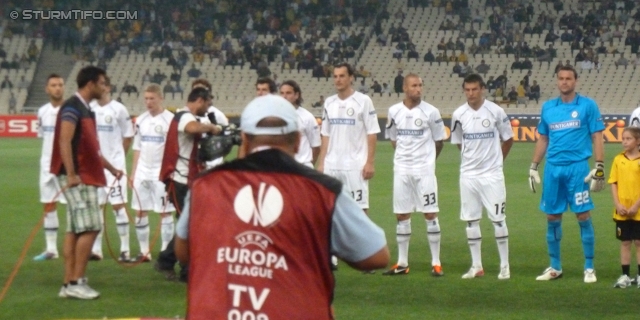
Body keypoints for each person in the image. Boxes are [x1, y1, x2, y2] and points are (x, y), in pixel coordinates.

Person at [173, 94, 390, 319]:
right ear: (297, 141)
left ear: (245, 140)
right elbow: (376, 255)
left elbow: (184, 251)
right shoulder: (323, 190)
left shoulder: (205, 184)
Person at [50, 66, 123, 299]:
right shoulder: (73, 107)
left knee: (74, 229)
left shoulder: (85, 109)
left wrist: (111, 168)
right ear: (90, 84)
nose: (105, 87)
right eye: (102, 83)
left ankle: (67, 283)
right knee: (92, 226)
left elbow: (91, 148)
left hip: (84, 173)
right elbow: (64, 140)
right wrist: (71, 174)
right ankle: (76, 282)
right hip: (80, 176)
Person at [529, 65, 605, 283]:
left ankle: (589, 267)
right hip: (553, 168)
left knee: (582, 215)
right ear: (557, 81)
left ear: (575, 81)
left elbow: (597, 136)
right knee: (552, 217)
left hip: (578, 168)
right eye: (561, 78)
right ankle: (555, 267)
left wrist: (599, 166)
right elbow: (543, 138)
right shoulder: (548, 107)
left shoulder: (588, 106)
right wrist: (534, 166)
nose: (564, 82)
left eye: (568, 78)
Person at [451, 73, 514, 280]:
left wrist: (497, 162)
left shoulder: (496, 111)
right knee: (471, 221)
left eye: (474, 89)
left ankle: (505, 266)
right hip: (468, 175)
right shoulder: (458, 114)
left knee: (498, 220)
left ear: (482, 89)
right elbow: (460, 142)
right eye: (467, 90)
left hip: (491, 175)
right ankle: (476, 265)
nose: (471, 93)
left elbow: (508, 139)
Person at [155, 87, 222, 282]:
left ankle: (169, 261)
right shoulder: (184, 117)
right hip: (180, 179)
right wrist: (211, 127)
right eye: (207, 104)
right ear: (199, 100)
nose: (208, 108)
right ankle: (181, 267)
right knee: (190, 225)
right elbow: (192, 128)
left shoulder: (186, 117)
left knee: (190, 224)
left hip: (186, 179)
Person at [383, 74, 446, 276]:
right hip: (402, 170)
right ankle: (402, 263)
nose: (418, 89)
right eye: (414, 85)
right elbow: (394, 139)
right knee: (402, 215)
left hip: (424, 171)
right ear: (405, 87)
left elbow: (439, 141)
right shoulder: (394, 111)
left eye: (420, 85)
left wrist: (427, 161)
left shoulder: (432, 112)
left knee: (430, 213)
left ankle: (436, 262)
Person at [89, 76, 135, 262]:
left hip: (115, 167)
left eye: (102, 85)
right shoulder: (89, 109)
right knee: (97, 208)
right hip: (95, 167)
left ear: (108, 87)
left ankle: (125, 250)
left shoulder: (119, 109)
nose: (99, 88)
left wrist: (119, 159)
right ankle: (97, 250)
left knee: (118, 206)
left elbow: (128, 135)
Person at [129, 84, 176, 262]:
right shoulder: (140, 120)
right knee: (140, 211)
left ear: (161, 98)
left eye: (152, 98)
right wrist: (133, 173)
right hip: (142, 172)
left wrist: (170, 173)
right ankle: (144, 252)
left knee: (165, 212)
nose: (148, 102)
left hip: (161, 173)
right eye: (146, 98)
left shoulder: (170, 121)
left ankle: (164, 251)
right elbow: (137, 148)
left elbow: (174, 150)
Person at [33, 74, 67, 261]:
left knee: (72, 206)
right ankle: (51, 249)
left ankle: (73, 247)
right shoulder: (42, 111)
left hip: (66, 167)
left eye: (60, 85)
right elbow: (43, 136)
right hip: (47, 166)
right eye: (53, 85)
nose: (57, 88)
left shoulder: (71, 109)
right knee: (48, 205)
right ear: (47, 89)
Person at [608, 127, 640, 288]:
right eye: (623, 139)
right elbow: (613, 183)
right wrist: (618, 204)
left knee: (639, 243)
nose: (625, 142)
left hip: (638, 210)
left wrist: (636, 205)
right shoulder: (618, 159)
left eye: (629, 139)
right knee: (625, 242)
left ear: (638, 141)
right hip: (622, 211)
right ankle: (625, 275)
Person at [279, 80, 321, 167]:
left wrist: (306, 168)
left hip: (302, 166)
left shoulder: (307, 117)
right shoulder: (275, 116)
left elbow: (316, 147)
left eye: (288, 93)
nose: (284, 96)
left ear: (296, 95)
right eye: (282, 93)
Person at [191, 78, 230, 168]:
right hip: (192, 163)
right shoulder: (186, 113)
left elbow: (226, 141)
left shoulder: (218, 115)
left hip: (213, 164)